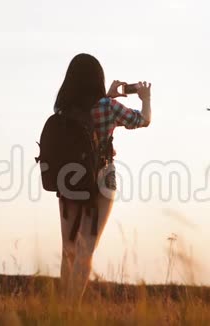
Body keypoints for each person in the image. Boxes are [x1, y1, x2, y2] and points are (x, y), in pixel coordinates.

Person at [53, 53, 151, 300]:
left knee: (69, 250)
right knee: (86, 251)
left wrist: (108, 96)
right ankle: (72, 311)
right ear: (98, 79)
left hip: (69, 180)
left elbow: (88, 116)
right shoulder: (108, 107)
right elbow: (143, 120)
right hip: (102, 180)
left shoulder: (63, 109)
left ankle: (63, 308)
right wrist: (145, 99)